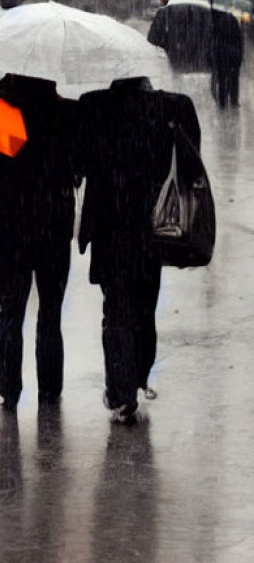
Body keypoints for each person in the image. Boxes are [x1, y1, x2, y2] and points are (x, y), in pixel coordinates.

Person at [78, 78, 201, 425]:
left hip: (110, 228)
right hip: (150, 229)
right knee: (144, 306)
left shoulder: (96, 108)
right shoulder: (167, 109)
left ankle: (121, 392)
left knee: (116, 310)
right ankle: (136, 377)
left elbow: (81, 163)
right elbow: (190, 158)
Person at [0, 74, 79, 410]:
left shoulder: (2, 107)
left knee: (11, 308)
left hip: (12, 220)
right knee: (50, 310)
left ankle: (9, 389)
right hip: (54, 221)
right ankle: (50, 388)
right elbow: (78, 166)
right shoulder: (65, 112)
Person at [209, 8, 243, 108]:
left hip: (222, 54)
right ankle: (234, 101)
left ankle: (222, 102)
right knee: (234, 78)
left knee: (222, 78)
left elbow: (213, 40)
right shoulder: (234, 21)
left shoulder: (217, 23)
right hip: (234, 54)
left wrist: (212, 57)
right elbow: (239, 39)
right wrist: (240, 55)